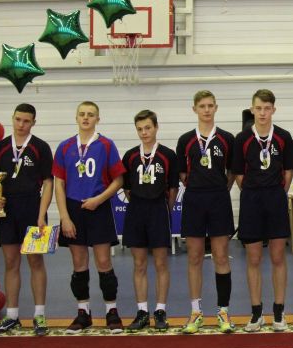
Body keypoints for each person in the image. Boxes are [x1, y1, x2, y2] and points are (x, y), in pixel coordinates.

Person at [53, 101, 126, 333]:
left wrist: (99, 199)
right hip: (73, 209)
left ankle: (112, 312)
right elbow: (58, 183)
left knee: (104, 261)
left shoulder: (106, 145)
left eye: (91, 114)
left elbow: (118, 180)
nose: (86, 118)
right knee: (79, 263)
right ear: (76, 117)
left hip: (98, 207)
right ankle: (83, 313)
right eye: (82, 114)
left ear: (97, 119)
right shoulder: (65, 147)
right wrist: (64, 217)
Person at [0, 104, 53, 336]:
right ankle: (12, 316)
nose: (21, 124)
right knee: (11, 262)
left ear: (33, 122)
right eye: (18, 119)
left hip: (32, 208)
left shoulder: (40, 147)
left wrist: (42, 214)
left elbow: (48, 182)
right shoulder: (0, 147)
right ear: (12, 118)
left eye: (26, 121)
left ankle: (39, 315)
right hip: (7, 210)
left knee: (35, 262)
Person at [233, 89, 293, 332]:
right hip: (251, 200)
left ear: (273, 110)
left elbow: (288, 172)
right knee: (254, 258)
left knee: (278, 256)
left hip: (276, 199)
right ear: (252, 109)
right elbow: (239, 175)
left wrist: (277, 192)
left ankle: (279, 312)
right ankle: (256, 312)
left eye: (267, 108)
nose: (262, 113)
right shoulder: (242, 138)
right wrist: (253, 191)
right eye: (258, 108)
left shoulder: (283, 136)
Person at [177, 91, 237, 334]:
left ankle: (223, 311)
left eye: (210, 105)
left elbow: (231, 172)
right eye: (202, 106)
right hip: (194, 199)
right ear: (195, 109)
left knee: (221, 256)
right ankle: (196, 312)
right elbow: (183, 174)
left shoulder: (227, 138)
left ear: (216, 108)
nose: (206, 110)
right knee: (194, 256)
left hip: (219, 198)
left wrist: (220, 189)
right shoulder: (185, 140)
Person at [122, 110, 179, 332]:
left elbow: (173, 189)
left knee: (161, 263)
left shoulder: (168, 155)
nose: (144, 132)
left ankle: (160, 311)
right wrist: (140, 203)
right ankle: (142, 311)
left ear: (156, 127)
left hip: (158, 210)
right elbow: (127, 189)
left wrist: (164, 208)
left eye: (147, 128)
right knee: (139, 264)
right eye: (140, 129)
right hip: (136, 210)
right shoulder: (130, 156)